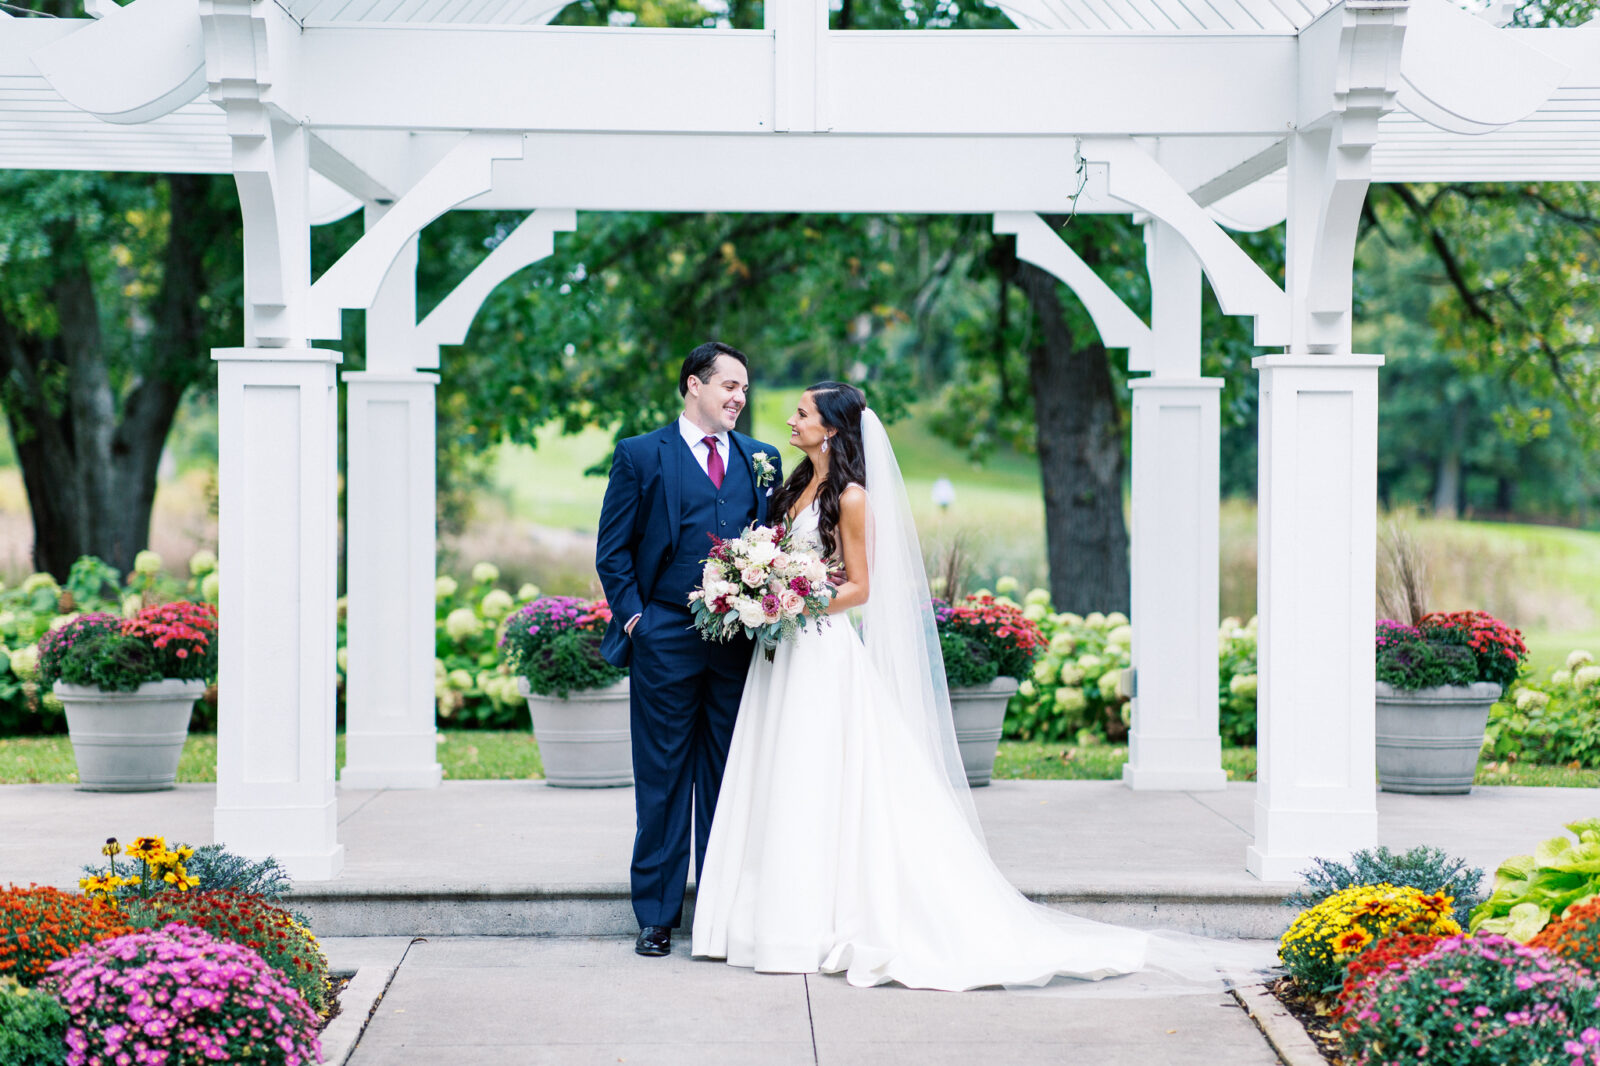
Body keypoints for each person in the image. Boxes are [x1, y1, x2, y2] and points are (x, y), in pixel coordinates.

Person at [690, 381, 1152, 989]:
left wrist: (791, 601)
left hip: (820, 653)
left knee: (814, 776)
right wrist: (758, 590)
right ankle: (759, 919)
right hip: (780, 655)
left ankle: (805, 924)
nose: (789, 419)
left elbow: (860, 587)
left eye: (801, 413)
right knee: (778, 773)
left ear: (831, 427)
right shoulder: (790, 488)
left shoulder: (852, 498)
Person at [595, 341, 784, 959]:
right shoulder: (640, 455)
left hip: (738, 644)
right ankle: (656, 915)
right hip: (665, 638)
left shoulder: (762, 459)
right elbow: (613, 551)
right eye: (729, 385)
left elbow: (775, 545)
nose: (739, 397)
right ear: (692, 385)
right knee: (664, 778)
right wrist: (635, 623)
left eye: (746, 389)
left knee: (730, 779)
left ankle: (723, 911)